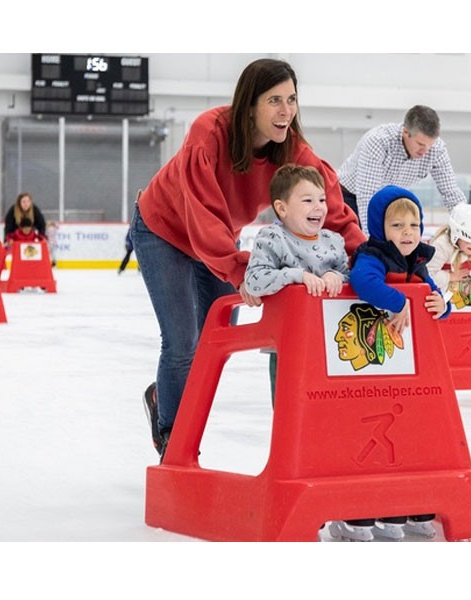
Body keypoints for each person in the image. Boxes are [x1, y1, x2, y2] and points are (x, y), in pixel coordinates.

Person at [130, 58, 365, 460]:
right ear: (249, 105)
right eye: (274, 100)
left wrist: (366, 258)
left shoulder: (293, 150)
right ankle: (173, 439)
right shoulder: (209, 133)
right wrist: (241, 271)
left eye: (291, 99)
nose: (286, 110)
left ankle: (164, 397)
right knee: (183, 343)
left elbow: (331, 208)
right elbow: (201, 212)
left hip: (217, 240)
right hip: (164, 231)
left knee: (212, 346)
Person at [333, 184, 450, 542]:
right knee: (371, 428)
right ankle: (364, 505)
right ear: (380, 228)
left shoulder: (418, 261)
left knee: (408, 430)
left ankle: (406, 501)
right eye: (397, 225)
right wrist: (399, 302)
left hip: (406, 365)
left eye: (414, 225)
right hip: (370, 359)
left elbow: (432, 296)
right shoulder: (373, 256)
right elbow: (363, 281)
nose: (407, 233)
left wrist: (442, 306)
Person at [244, 164, 350, 402]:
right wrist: (296, 276)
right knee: (291, 409)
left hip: (334, 345)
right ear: (281, 208)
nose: (318, 207)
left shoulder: (333, 242)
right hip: (288, 345)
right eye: (307, 200)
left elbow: (352, 277)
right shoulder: (273, 239)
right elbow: (254, 281)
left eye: (322, 200)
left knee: (330, 411)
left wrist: (338, 278)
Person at [337, 105, 467, 232]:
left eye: (430, 145)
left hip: (385, 201)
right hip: (348, 196)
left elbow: (451, 192)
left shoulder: (437, 149)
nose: (425, 151)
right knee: (359, 244)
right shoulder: (379, 141)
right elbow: (367, 196)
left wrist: (467, 224)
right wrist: (370, 240)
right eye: (420, 144)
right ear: (406, 132)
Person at [426, 202, 471, 308]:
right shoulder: (441, 246)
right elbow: (427, 275)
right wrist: (451, 276)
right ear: (456, 233)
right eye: (469, 239)